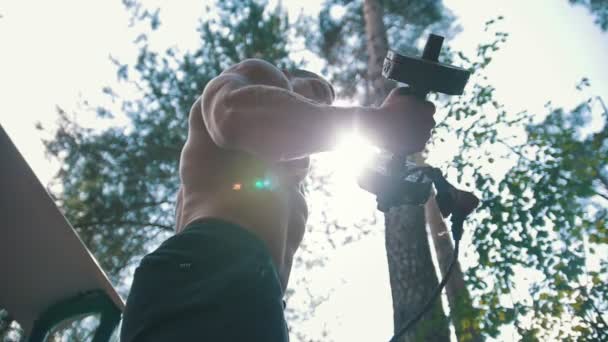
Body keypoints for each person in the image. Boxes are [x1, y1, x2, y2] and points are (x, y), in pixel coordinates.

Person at [120, 58, 435, 341]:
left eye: (327, 100)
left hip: (257, 293)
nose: (321, 100)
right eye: (313, 88)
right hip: (207, 266)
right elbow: (236, 116)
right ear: (285, 76)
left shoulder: (286, 180)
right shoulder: (255, 75)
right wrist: (379, 123)